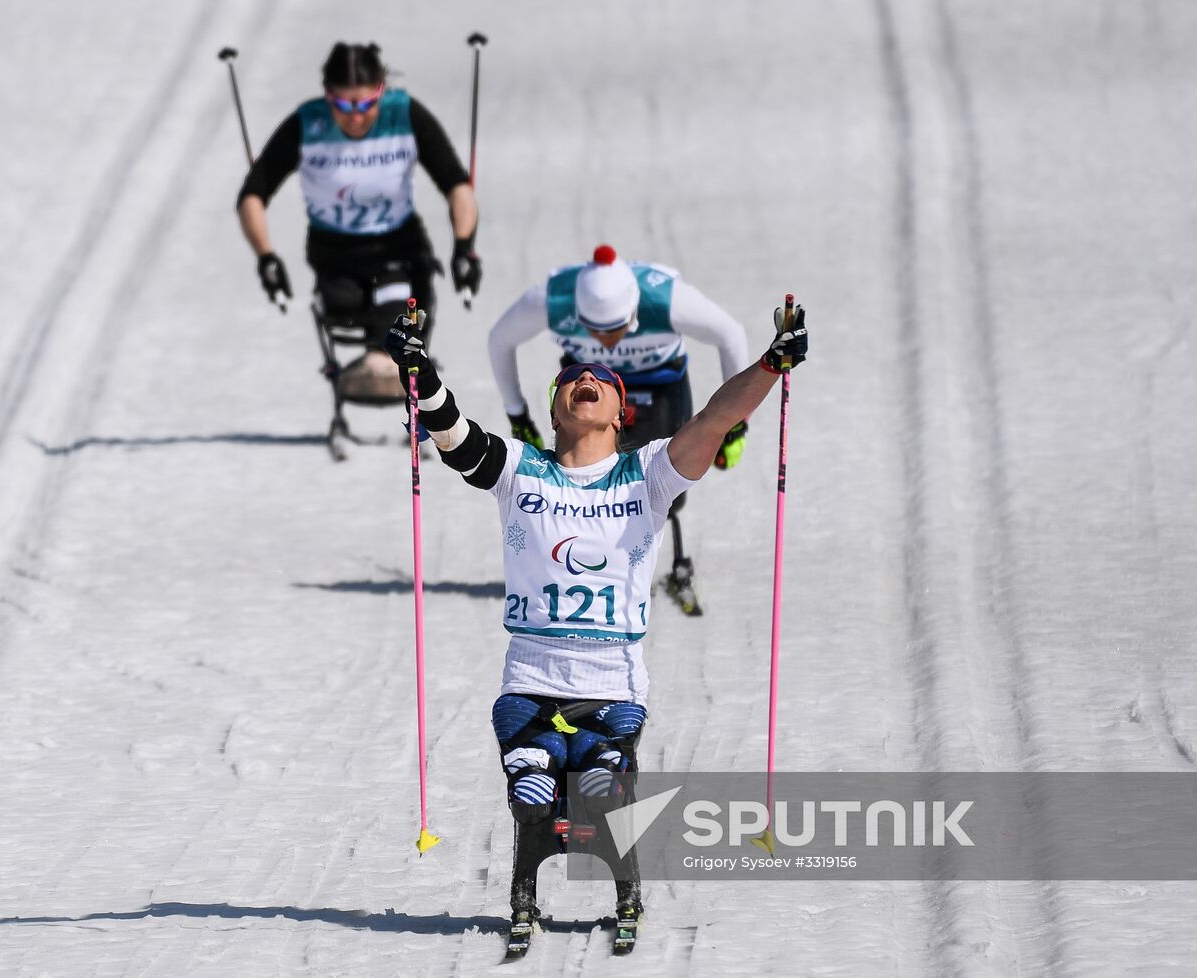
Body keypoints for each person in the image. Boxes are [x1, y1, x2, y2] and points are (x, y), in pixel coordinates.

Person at [384, 297, 807, 949]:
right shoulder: (520, 471)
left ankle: (624, 881)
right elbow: (453, 435)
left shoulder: (649, 475)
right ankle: (526, 884)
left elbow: (718, 418)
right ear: (555, 411)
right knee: (531, 794)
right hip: (529, 685)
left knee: (603, 792)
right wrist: (419, 371)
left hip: (611, 687)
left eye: (602, 380)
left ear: (619, 413)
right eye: (571, 378)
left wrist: (770, 365)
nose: (586, 378)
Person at [487, 244, 752, 614]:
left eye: (615, 329)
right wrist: (518, 416)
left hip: (659, 386)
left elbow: (731, 335)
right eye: (593, 329)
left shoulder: (667, 299)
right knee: (585, 475)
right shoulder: (553, 298)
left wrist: (735, 426)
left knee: (663, 482)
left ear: (634, 310)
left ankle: (673, 563)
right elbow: (500, 340)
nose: (605, 341)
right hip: (592, 386)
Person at [236, 42, 480, 401]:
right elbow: (253, 195)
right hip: (335, 252)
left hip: (399, 245)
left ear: (381, 91)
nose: (355, 116)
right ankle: (379, 363)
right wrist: (266, 256)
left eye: (366, 104)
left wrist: (463, 247)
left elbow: (456, 185)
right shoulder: (308, 123)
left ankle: (389, 364)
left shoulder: (404, 114)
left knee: (401, 304)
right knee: (343, 305)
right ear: (327, 95)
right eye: (343, 105)